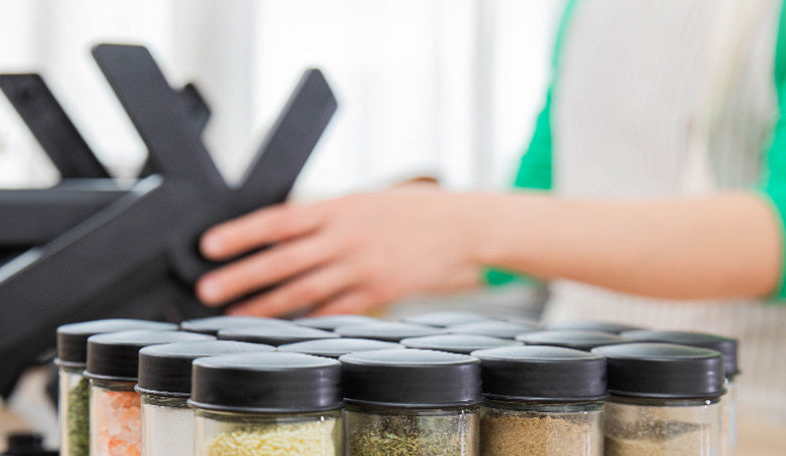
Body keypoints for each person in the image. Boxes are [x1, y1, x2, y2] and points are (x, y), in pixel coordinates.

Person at [194, 0, 786, 421]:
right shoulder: (588, 9)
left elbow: (775, 236)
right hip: (566, 401)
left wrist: (469, 225)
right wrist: (362, 247)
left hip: (743, 417)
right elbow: (534, 214)